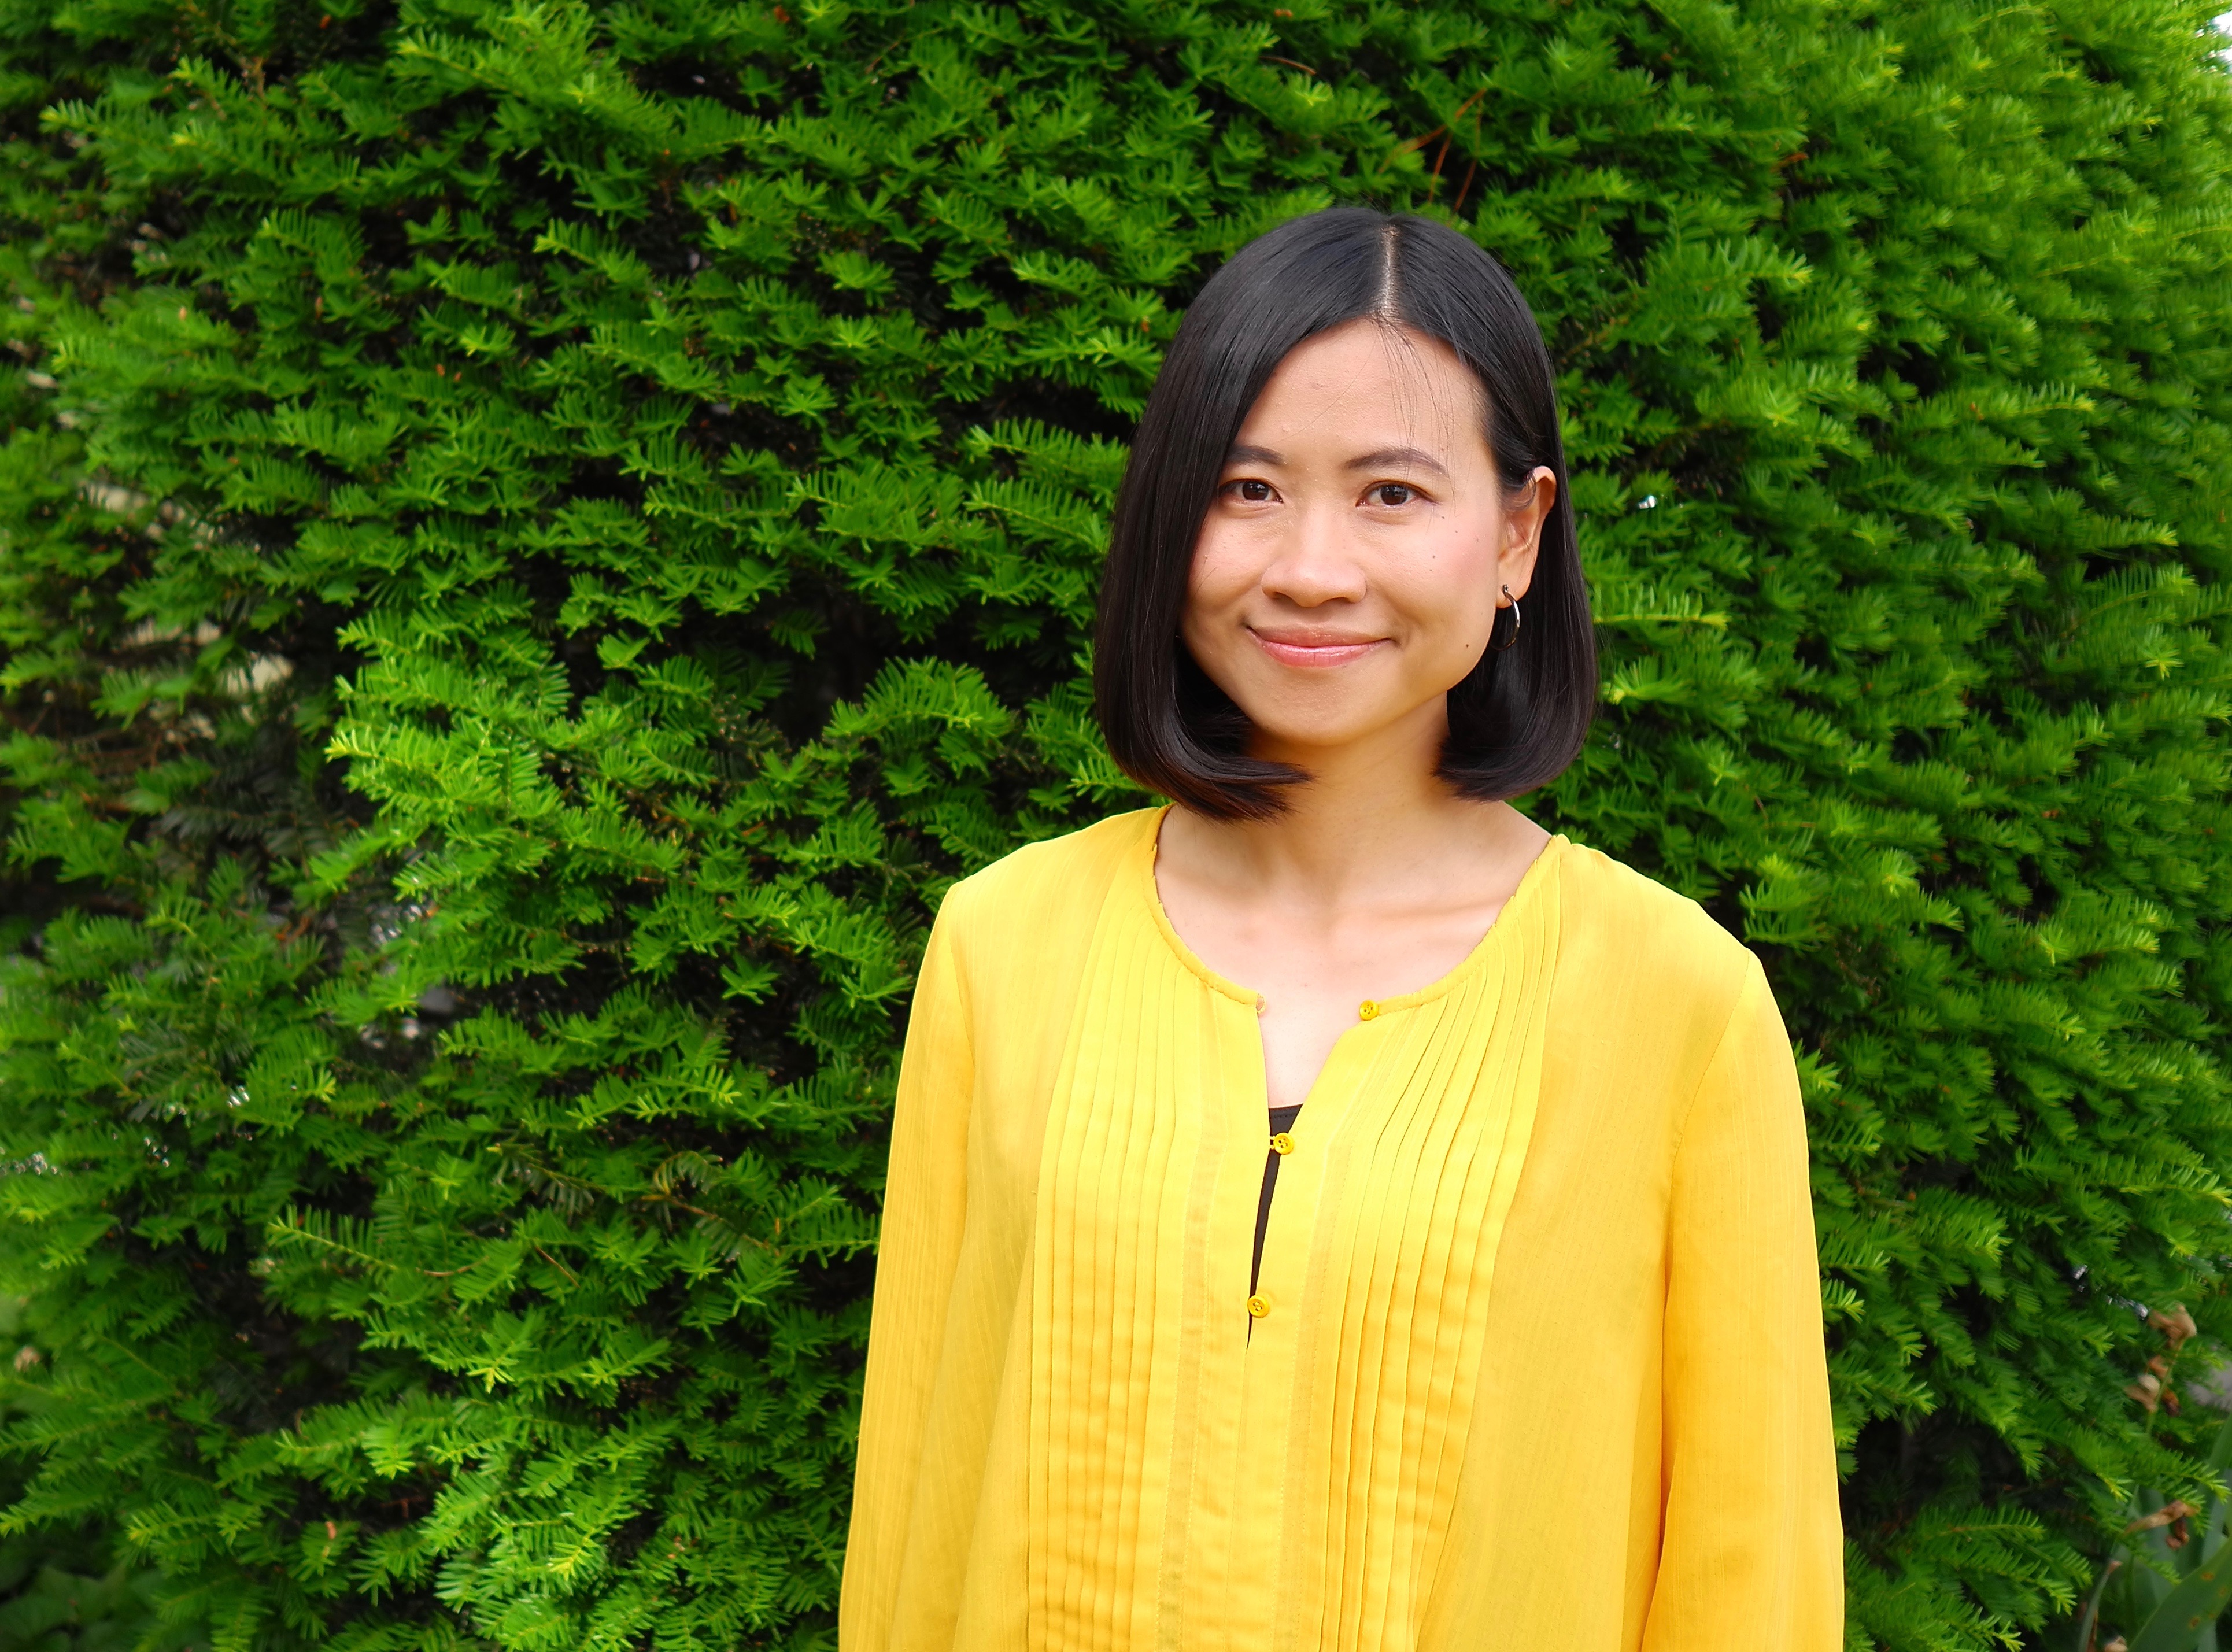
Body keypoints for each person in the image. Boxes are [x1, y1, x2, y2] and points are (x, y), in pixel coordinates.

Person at [837, 207, 1842, 1651]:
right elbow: (915, 1515)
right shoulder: (1004, 947)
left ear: (1516, 533)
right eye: (1247, 488)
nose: (1308, 567)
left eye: (1389, 494)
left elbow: (1753, 1584)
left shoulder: (1677, 1006)